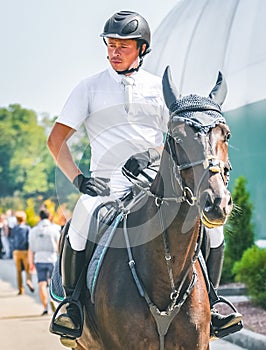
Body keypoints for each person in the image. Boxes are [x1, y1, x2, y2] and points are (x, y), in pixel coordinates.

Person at [47, 10, 242, 345]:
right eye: (111, 44)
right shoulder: (89, 88)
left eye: (123, 45)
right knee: (80, 220)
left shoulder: (158, 89)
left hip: (156, 182)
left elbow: (180, 138)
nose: (114, 51)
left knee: (214, 229)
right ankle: (72, 306)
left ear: (142, 48)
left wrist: (151, 156)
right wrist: (80, 180)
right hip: (106, 186)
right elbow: (56, 141)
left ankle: (215, 300)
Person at [28, 208, 60, 315]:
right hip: (52, 258)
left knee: (41, 283)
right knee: (52, 282)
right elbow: (59, 245)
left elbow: (31, 249)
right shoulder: (54, 229)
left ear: (39, 217)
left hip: (39, 258)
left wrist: (30, 263)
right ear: (49, 216)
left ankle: (45, 307)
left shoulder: (33, 231)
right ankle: (53, 300)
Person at [10, 211, 34, 295]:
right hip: (25, 251)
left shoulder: (14, 228)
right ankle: (28, 280)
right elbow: (29, 240)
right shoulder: (27, 228)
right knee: (28, 269)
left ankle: (20, 289)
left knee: (18, 271)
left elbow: (11, 239)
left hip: (16, 251)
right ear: (24, 218)